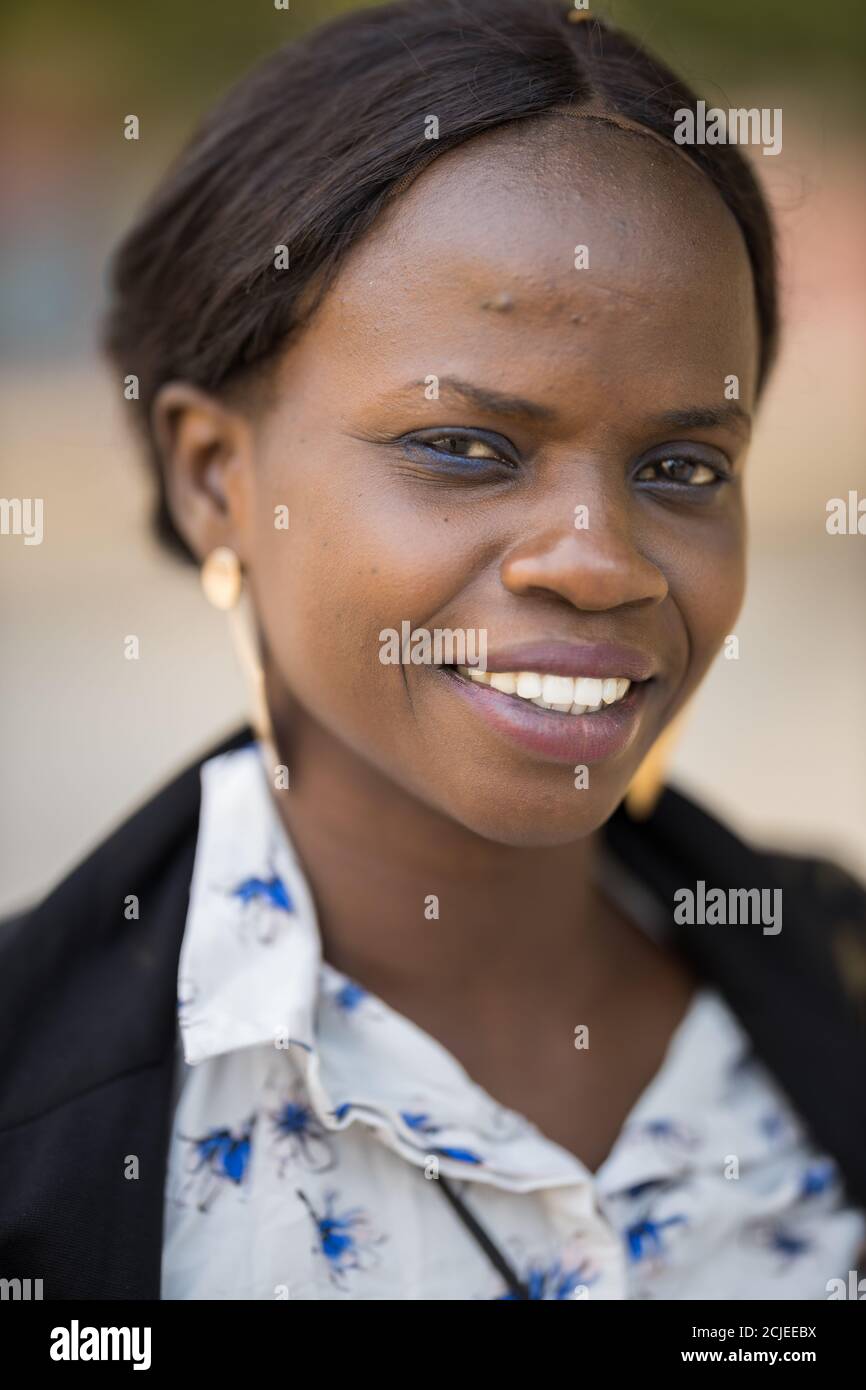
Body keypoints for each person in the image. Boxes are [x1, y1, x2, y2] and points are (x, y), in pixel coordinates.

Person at [2, 0, 864, 1301]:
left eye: (681, 466)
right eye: (463, 448)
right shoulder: (37, 1112)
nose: (598, 557)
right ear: (212, 476)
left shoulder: (836, 977)